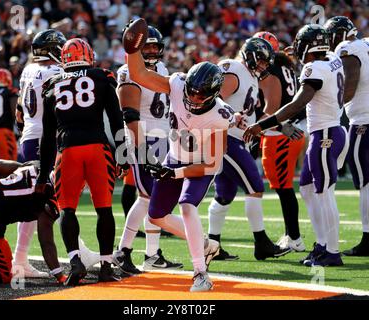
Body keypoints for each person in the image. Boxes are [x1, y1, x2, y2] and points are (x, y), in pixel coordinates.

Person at [125, 21, 237, 291]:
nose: (194, 98)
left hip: (200, 165)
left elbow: (211, 163)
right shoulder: (177, 84)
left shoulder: (218, 116)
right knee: (156, 216)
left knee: (187, 207)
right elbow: (139, 74)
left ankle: (200, 273)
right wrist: (130, 49)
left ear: (213, 95)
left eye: (201, 95)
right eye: (192, 92)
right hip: (175, 157)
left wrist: (174, 172)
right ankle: (206, 245)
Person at [243, 24, 348, 267]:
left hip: (325, 134)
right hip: (328, 131)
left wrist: (263, 125)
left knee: (324, 193)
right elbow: (319, 66)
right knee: (308, 189)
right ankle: (322, 245)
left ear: (308, 49)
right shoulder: (332, 59)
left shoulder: (314, 67)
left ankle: (332, 251)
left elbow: (297, 104)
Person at [36, 38, 127, 286]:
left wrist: (43, 174)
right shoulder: (101, 76)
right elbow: (117, 120)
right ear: (88, 56)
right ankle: (106, 266)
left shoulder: (52, 84)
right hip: (98, 148)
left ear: (64, 59)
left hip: (67, 150)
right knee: (104, 208)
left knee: (67, 209)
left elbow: (47, 136)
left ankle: (75, 260)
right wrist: (123, 155)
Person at [208, 37, 291, 261]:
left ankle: (212, 245)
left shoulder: (251, 78)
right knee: (255, 186)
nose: (264, 66)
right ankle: (261, 243)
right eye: (262, 61)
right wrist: (226, 128)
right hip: (225, 139)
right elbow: (214, 100)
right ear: (250, 55)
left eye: (266, 63)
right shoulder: (234, 68)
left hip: (233, 138)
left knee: (225, 194)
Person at [113, 26, 183, 274]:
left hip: (164, 139)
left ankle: (151, 255)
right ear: (137, 49)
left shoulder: (162, 69)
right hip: (142, 139)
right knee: (148, 198)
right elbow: (129, 114)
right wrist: (142, 149)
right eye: (147, 47)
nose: (152, 51)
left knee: (154, 199)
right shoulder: (127, 72)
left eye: (155, 46)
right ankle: (123, 252)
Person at [14, 29, 66, 278]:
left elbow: (18, 114)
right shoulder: (56, 72)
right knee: (55, 199)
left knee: (32, 201)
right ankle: (76, 253)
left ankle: (20, 258)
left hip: (28, 138)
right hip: (48, 139)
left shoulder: (27, 70)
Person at [0, 159, 65, 284]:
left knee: (8, 262)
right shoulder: (47, 199)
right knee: (5, 275)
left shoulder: (36, 165)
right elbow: (46, 242)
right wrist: (59, 275)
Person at [255, 31, 306, 252]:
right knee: (281, 186)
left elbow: (271, 109)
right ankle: (291, 234)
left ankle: (294, 237)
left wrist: (257, 123)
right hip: (287, 131)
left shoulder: (271, 70)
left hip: (281, 133)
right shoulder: (285, 66)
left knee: (284, 188)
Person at [324, 16, 369, 256]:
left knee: (366, 183)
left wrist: (328, 106)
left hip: (364, 121)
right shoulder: (367, 44)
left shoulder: (347, 48)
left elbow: (349, 88)